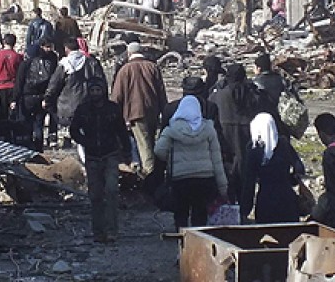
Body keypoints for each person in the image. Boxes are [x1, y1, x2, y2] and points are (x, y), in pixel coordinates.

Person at [70, 79, 132, 243]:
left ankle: (112, 231)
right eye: (93, 90)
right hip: (92, 156)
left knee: (111, 192)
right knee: (95, 195)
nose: (95, 93)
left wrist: (126, 151)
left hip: (110, 154)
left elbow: (122, 132)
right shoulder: (83, 109)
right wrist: (85, 141)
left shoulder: (113, 109)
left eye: (98, 90)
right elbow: (74, 130)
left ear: (103, 91)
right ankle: (98, 232)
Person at [154, 95, 228, 231]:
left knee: (181, 212)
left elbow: (159, 151)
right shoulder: (209, 129)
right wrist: (223, 187)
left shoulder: (171, 130)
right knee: (200, 213)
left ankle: (182, 241)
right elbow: (217, 160)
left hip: (180, 179)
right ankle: (198, 242)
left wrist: (170, 158)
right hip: (205, 179)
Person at [110, 42, 168, 177]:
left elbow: (117, 96)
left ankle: (150, 176)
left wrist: (114, 114)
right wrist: (164, 111)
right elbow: (161, 93)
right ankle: (152, 173)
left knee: (144, 146)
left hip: (135, 113)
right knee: (150, 142)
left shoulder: (125, 70)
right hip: (153, 111)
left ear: (129, 53)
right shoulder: (153, 67)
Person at [209, 64, 263, 202]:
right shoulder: (252, 94)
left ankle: (229, 204)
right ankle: (244, 209)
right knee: (246, 176)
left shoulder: (219, 95)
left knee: (227, 174)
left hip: (224, 138)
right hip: (246, 138)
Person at [241, 113, 306, 224]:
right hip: (287, 199)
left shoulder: (254, 149)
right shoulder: (284, 143)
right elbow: (299, 168)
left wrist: (245, 210)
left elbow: (249, 183)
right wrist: (289, 180)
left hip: (266, 200)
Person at [44, 42, 105, 151]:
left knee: (69, 137)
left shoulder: (64, 64)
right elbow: (101, 82)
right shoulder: (91, 62)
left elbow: (54, 84)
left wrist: (48, 98)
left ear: (66, 48)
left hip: (67, 105)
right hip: (88, 103)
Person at [14, 38, 58, 150]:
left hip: (27, 97)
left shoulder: (26, 64)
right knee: (39, 123)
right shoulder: (50, 62)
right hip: (42, 97)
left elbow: (19, 82)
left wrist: (15, 99)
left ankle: (27, 146)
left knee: (27, 123)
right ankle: (39, 148)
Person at [161, 76, 222, 140]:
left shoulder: (170, 108)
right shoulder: (210, 107)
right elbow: (217, 134)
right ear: (202, 91)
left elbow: (163, 137)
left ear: (184, 90)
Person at [0, 34, 23, 122]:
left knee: (2, 112)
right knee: (13, 112)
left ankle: (3, 133)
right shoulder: (18, 56)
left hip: (1, 86)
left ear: (4, 42)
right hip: (13, 86)